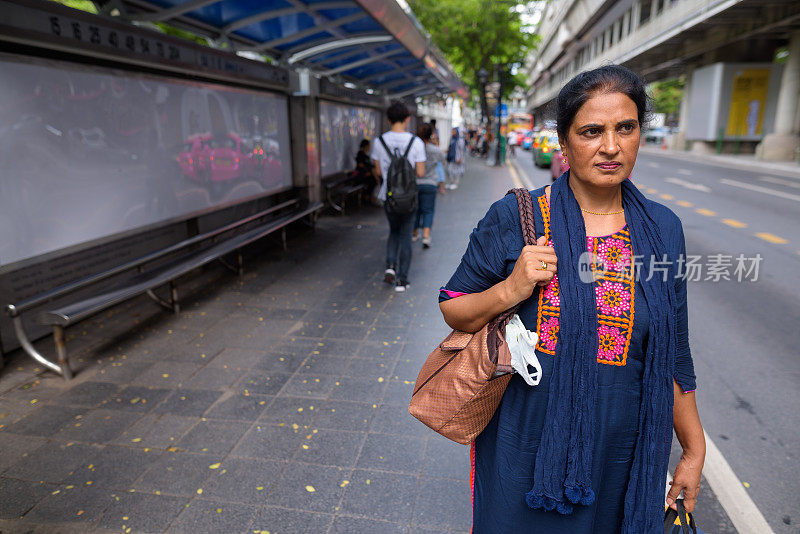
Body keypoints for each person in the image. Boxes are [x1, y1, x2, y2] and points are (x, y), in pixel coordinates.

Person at [438, 65, 704, 533]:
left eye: (626, 128)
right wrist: (511, 288)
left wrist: (693, 449)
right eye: (591, 132)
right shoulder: (517, 217)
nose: (611, 146)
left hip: (625, 446)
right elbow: (453, 307)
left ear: (641, 132)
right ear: (563, 143)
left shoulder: (663, 230)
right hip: (527, 443)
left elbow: (673, 352)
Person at [370, 100, 426, 292]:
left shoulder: (379, 142)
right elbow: (420, 172)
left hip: (389, 196)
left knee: (393, 231)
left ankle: (390, 267)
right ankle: (402, 280)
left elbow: (377, 171)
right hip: (409, 198)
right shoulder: (416, 142)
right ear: (408, 119)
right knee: (405, 235)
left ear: (388, 119)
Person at [412, 123, 447, 249]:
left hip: (415, 183)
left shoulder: (414, 148)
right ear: (431, 135)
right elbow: (443, 160)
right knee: (428, 210)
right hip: (431, 183)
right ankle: (426, 236)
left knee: (416, 209)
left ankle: (414, 233)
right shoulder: (435, 150)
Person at [353, 138, 378, 205]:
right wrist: (367, 171)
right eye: (368, 145)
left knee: (374, 180)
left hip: (367, 175)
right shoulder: (360, 154)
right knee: (372, 181)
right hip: (361, 176)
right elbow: (361, 165)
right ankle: (368, 197)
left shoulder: (367, 156)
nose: (369, 147)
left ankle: (370, 197)